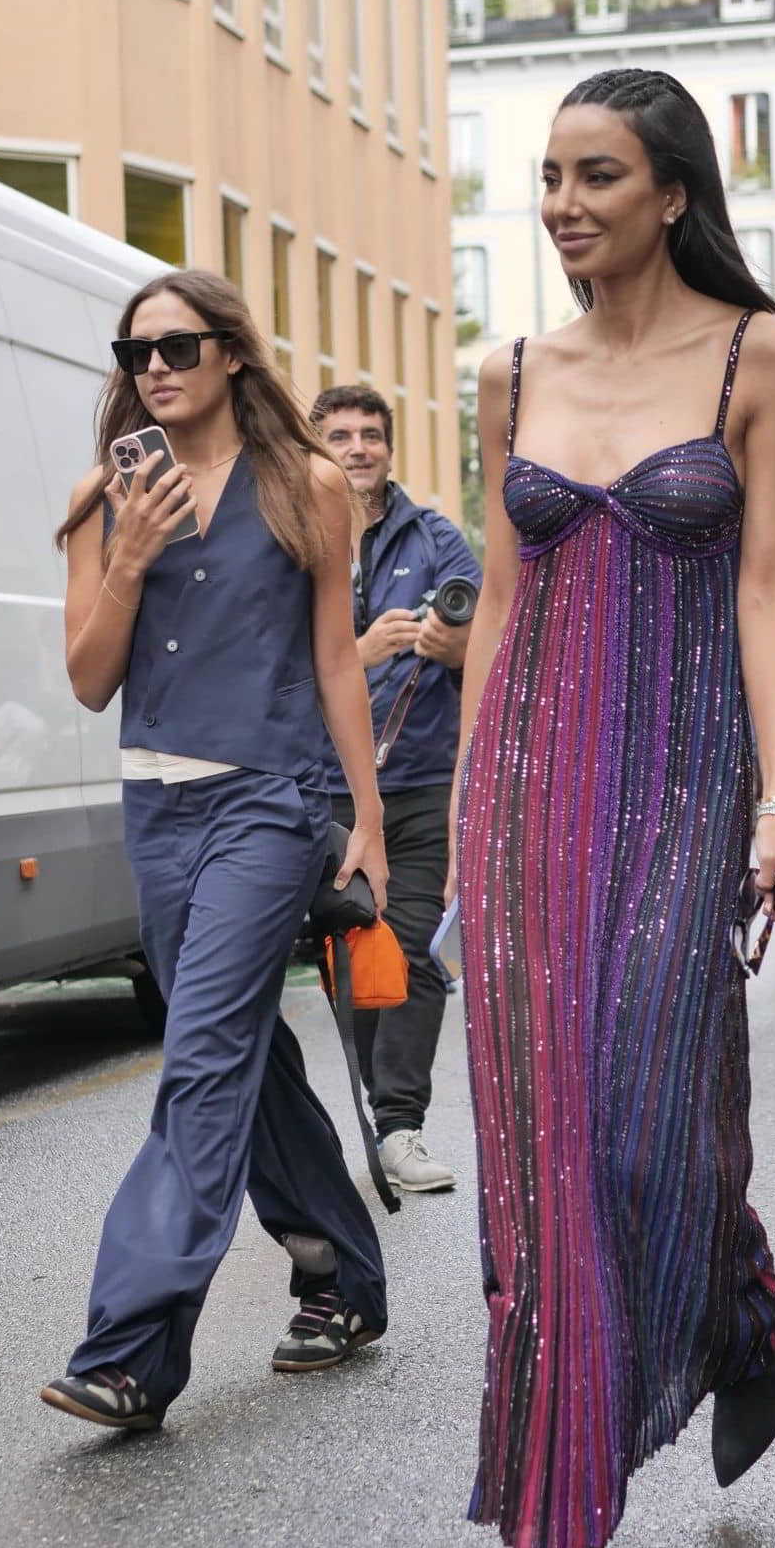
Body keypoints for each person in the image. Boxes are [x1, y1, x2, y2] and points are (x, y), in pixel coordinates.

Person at [450, 67, 775, 1548]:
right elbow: (503, 604)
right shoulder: (508, 369)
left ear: (673, 192)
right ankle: (562, 1483)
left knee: (651, 1100)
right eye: (547, 176)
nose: (563, 205)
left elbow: (766, 583)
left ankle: (733, 1302)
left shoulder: (758, 349)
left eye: (596, 175)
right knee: (539, 1136)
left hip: (685, 779)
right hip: (523, 790)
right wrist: (458, 809)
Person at [40, 272, 389, 1432]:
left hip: (268, 806)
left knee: (197, 1057)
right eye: (135, 350)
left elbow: (337, 661)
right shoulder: (107, 494)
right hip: (156, 812)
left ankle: (131, 1350)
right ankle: (339, 1271)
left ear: (232, 353)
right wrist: (128, 555)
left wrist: (369, 824)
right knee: (238, 1050)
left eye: (178, 345)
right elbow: (91, 681)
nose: (154, 367)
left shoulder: (308, 489)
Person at [312, 384, 481, 1195]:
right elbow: (272, 663)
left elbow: (486, 639)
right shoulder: (294, 536)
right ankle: (374, 1116)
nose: (357, 447)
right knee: (357, 959)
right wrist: (363, 649)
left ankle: (400, 1127)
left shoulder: (436, 537)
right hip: (329, 790)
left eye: (370, 434)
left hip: (418, 785)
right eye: (340, 434)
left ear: (388, 447)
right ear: (317, 445)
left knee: (412, 948)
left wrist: (450, 646)